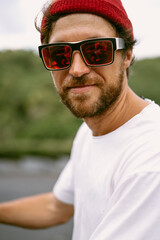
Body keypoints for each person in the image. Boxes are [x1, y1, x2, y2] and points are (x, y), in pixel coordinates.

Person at [0, 0, 160, 239]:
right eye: (59, 54)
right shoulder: (90, 130)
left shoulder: (150, 162)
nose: (76, 69)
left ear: (127, 55)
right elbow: (57, 207)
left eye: (97, 50)